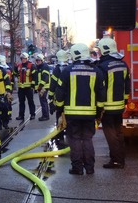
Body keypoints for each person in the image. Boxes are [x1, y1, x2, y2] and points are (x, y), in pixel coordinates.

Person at [55, 43, 105, 175]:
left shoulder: (67, 71)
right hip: (90, 114)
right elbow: (101, 94)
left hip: (72, 114)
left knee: (75, 139)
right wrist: (99, 112)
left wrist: (59, 110)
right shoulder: (96, 71)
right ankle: (90, 168)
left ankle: (77, 168)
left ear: (75, 55)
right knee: (88, 139)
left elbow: (59, 93)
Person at [96, 37, 130, 169]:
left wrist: (99, 107)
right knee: (119, 133)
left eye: (99, 50)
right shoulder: (123, 64)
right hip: (119, 106)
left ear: (105, 50)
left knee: (111, 135)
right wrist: (125, 101)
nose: (98, 53)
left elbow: (101, 89)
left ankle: (116, 161)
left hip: (107, 107)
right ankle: (120, 159)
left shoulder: (103, 67)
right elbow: (127, 85)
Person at [49, 49, 70, 146]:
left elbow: (53, 84)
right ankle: (69, 132)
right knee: (68, 116)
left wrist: (50, 95)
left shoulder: (57, 69)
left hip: (59, 96)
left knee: (59, 114)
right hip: (69, 97)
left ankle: (60, 134)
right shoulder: (70, 67)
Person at [13, 52, 36, 121]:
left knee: (30, 102)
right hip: (21, 88)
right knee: (21, 102)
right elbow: (15, 73)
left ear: (27, 59)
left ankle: (32, 114)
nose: (23, 60)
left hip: (28, 87)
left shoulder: (31, 66)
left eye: (24, 59)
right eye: (22, 59)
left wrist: (33, 85)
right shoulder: (19, 66)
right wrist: (15, 67)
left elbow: (35, 76)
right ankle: (21, 115)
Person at [34, 53, 51, 121]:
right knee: (43, 101)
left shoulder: (44, 67)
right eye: (37, 60)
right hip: (42, 87)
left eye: (39, 60)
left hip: (44, 87)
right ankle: (45, 115)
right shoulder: (39, 67)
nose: (37, 61)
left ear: (42, 60)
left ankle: (45, 116)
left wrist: (40, 86)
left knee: (43, 101)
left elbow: (45, 78)